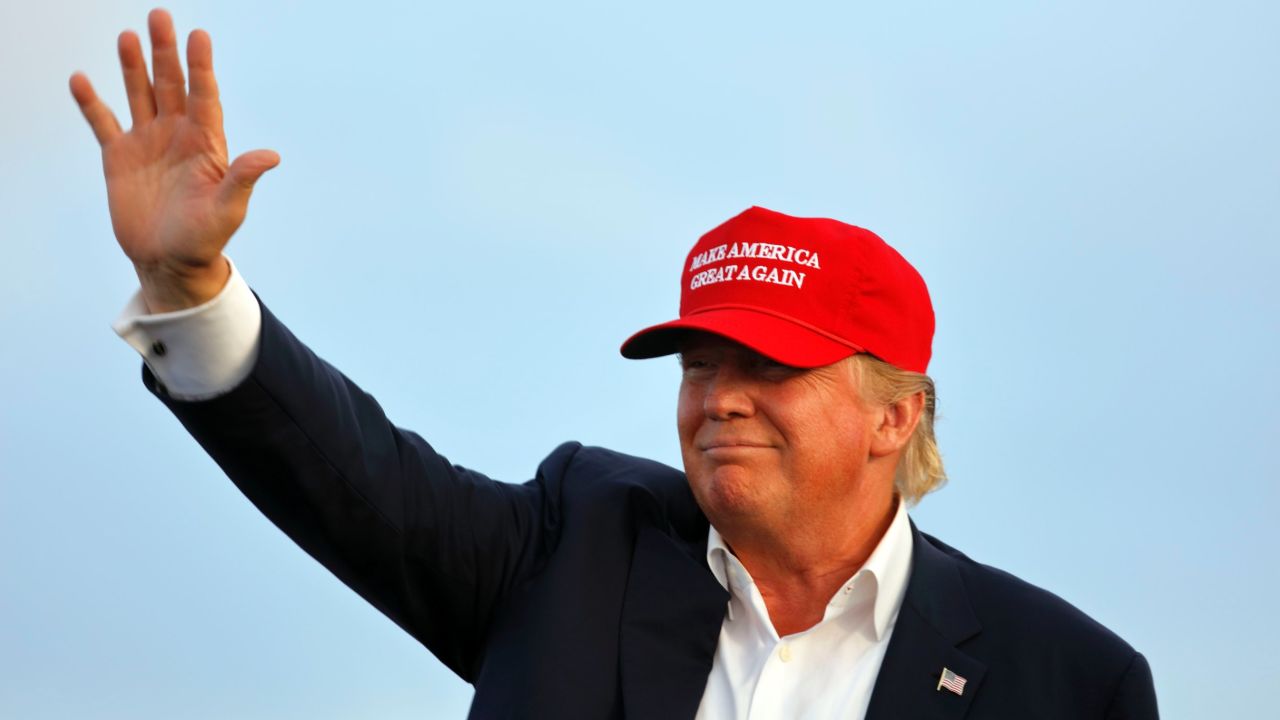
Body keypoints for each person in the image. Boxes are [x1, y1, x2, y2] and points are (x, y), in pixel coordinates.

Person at [71, 9, 1159, 719]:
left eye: (772, 367)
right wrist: (191, 288)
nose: (718, 398)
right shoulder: (575, 545)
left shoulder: (1064, 682)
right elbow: (358, 483)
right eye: (697, 363)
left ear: (894, 416)